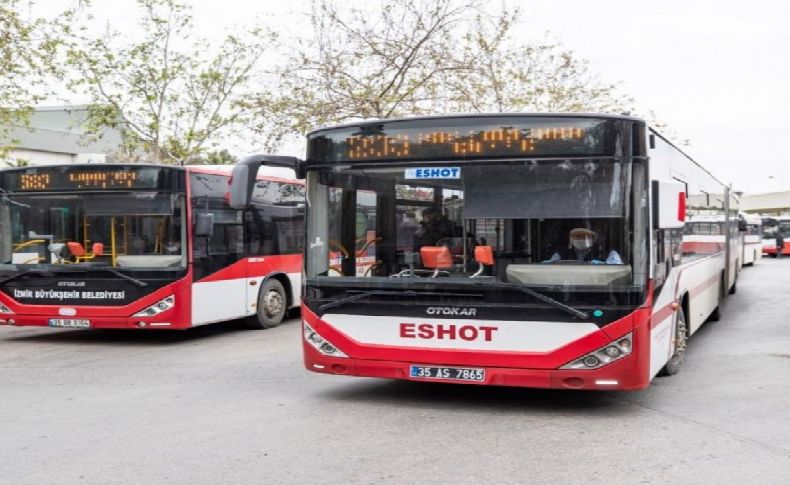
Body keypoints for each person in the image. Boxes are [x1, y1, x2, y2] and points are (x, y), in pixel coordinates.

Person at [544, 227, 623, 264]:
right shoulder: (562, 253)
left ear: (593, 239)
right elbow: (551, 264)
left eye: (585, 237)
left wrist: (604, 265)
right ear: (571, 239)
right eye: (577, 237)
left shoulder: (608, 254)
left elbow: (617, 272)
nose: (581, 239)